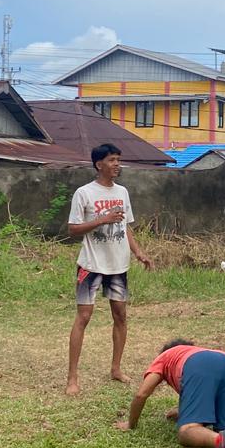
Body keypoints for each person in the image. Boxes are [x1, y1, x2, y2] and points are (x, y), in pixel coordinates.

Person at [66, 143, 153, 396]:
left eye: (118, 159)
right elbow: (72, 229)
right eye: (112, 160)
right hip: (91, 265)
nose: (117, 164)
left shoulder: (123, 192)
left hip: (118, 265)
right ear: (98, 164)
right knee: (83, 317)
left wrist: (139, 253)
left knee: (121, 316)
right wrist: (102, 219)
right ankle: (72, 377)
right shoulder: (84, 193)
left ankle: (116, 369)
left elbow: (126, 227)